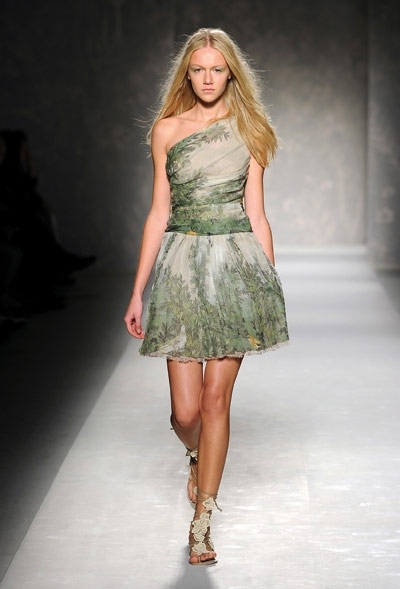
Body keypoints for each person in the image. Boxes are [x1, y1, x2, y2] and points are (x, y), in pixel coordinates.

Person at [124, 27, 289, 566]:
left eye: (218, 69)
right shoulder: (167, 131)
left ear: (231, 73)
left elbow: (257, 213)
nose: (209, 78)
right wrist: (137, 290)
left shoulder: (250, 130)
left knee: (217, 401)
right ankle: (196, 454)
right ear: (187, 75)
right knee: (185, 411)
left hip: (235, 269)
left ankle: (202, 523)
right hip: (180, 270)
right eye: (199, 69)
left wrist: (267, 283)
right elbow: (158, 212)